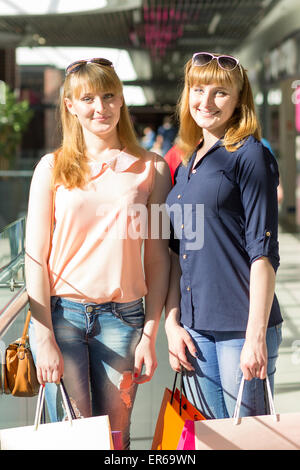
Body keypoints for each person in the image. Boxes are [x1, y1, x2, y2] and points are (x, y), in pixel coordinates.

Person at [25, 57, 171, 449]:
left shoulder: (151, 168)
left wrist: (149, 335)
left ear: (122, 101)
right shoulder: (51, 168)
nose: (100, 107)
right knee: (72, 441)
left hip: (124, 321)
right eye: (87, 98)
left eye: (109, 96)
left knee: (114, 442)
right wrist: (44, 339)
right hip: (62, 319)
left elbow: (158, 257)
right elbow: (35, 255)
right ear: (70, 105)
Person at [165, 52, 283, 420]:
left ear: (238, 100)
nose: (206, 101)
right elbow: (177, 255)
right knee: (212, 440)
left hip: (239, 329)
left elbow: (263, 253)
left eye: (220, 92)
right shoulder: (187, 163)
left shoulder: (250, 156)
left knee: (248, 441)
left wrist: (256, 337)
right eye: (198, 89)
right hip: (195, 329)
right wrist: (172, 323)